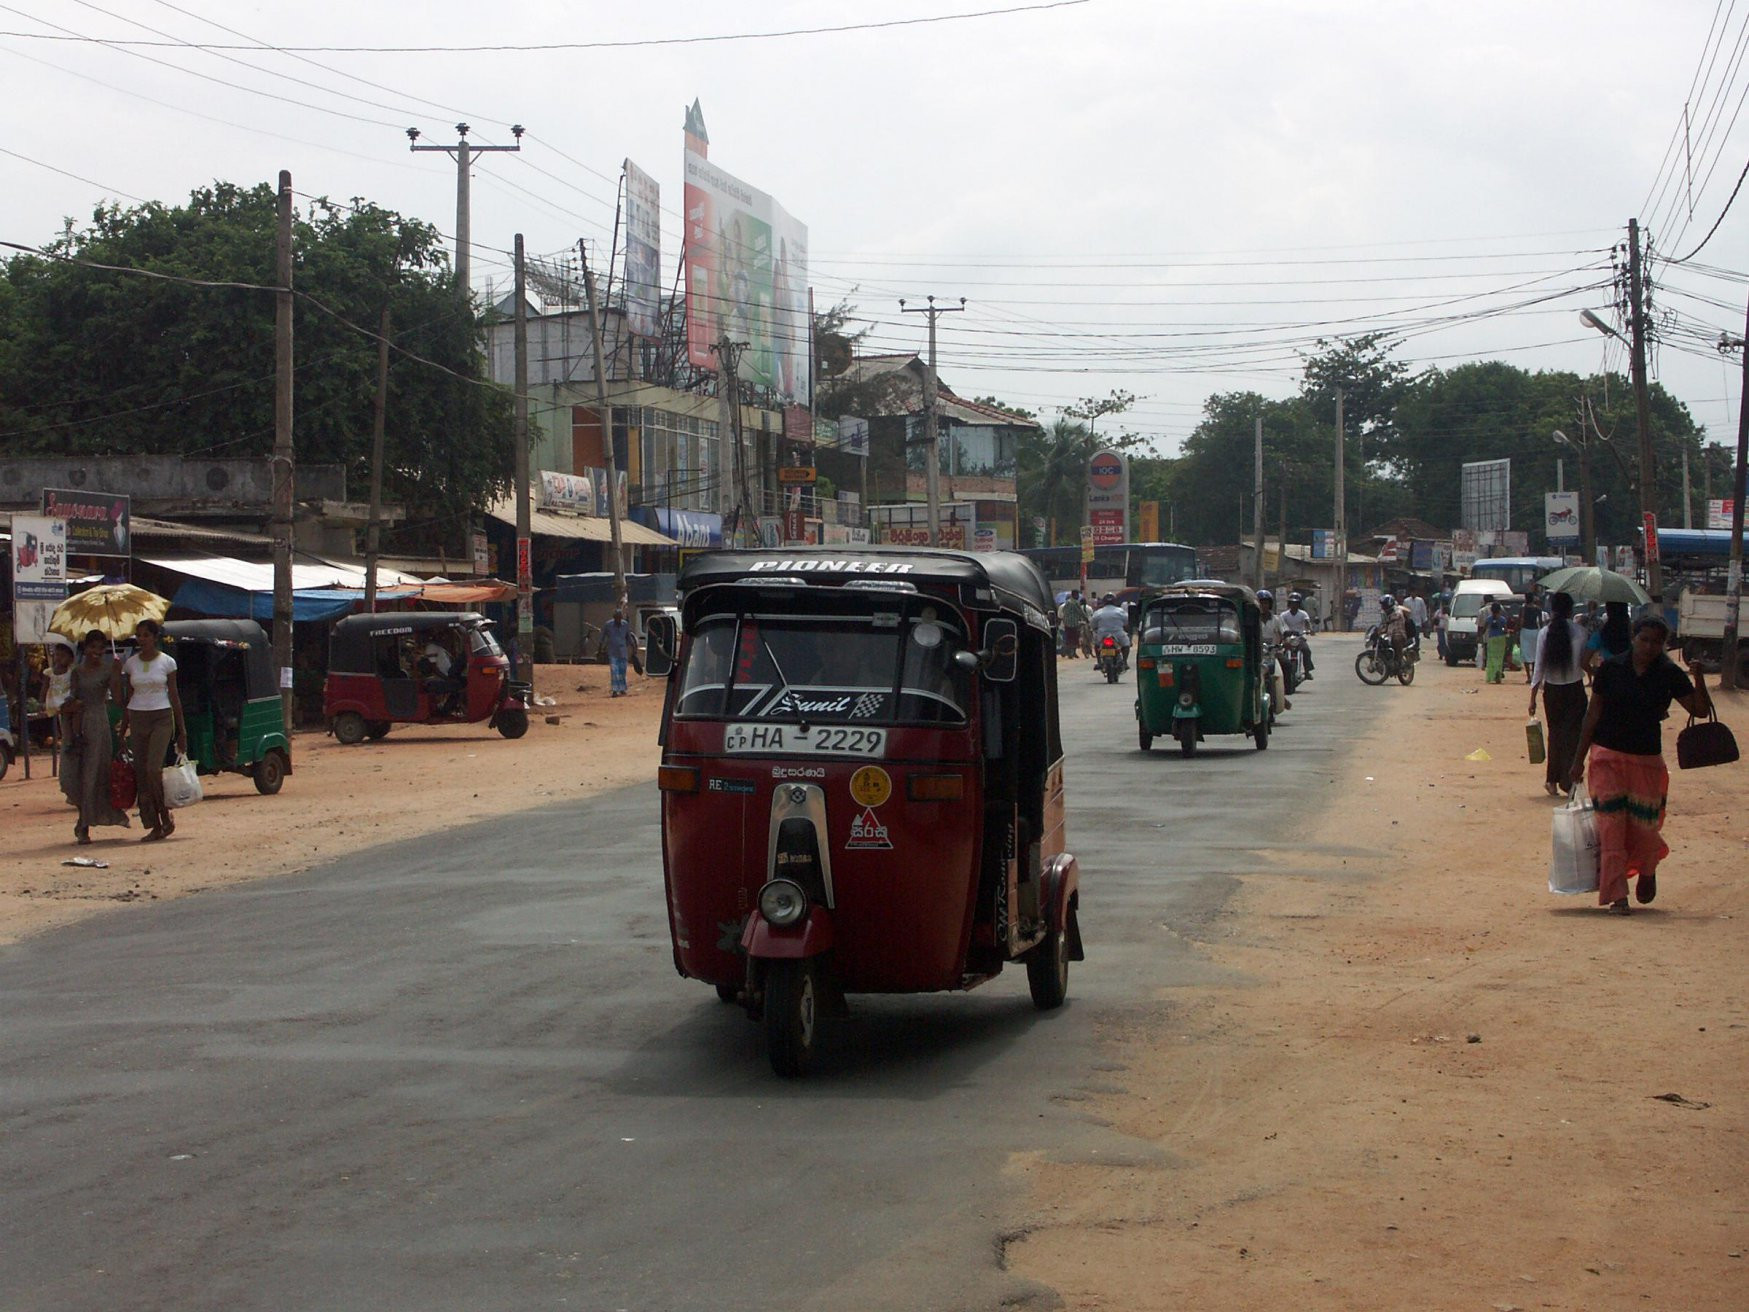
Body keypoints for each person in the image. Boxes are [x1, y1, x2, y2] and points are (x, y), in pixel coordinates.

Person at [1569, 615, 1713, 914]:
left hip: (1646, 760)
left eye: (1656, 642)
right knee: (1611, 829)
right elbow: (1593, 715)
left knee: (1645, 828)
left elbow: (1699, 710)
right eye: (1644, 639)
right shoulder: (1611, 669)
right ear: (1633, 638)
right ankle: (1617, 895)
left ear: (1663, 645)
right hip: (1607, 757)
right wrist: (1578, 760)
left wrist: (1699, 678)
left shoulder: (1669, 673)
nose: (1649, 647)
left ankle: (1647, 868)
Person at [116, 619, 186, 842]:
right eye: (139, 635)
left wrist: (182, 731)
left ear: (155, 637)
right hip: (138, 718)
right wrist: (123, 729)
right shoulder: (130, 664)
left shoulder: (167, 662)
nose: (142, 639)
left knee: (153, 769)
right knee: (141, 773)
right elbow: (128, 698)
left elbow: (174, 696)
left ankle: (165, 814)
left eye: (146, 635)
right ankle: (154, 824)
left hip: (162, 717)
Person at [59, 630, 131, 843]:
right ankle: (83, 816)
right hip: (77, 724)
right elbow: (71, 697)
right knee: (72, 776)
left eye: (101, 648)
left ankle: (84, 825)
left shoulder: (108, 670)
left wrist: (116, 674)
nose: (96, 652)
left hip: (98, 725)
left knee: (93, 775)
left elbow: (117, 699)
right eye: (92, 647)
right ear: (86, 648)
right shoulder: (77, 671)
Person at [1528, 592, 1587, 798]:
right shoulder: (1581, 632)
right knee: (1574, 737)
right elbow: (1585, 662)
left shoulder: (1545, 633)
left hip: (1552, 692)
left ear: (1552, 610)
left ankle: (1551, 780)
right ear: (1571, 610)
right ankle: (1568, 780)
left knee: (1555, 734)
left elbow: (1538, 668)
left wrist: (1532, 698)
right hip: (1575, 689)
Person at [1583, 601, 1632, 671]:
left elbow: (1584, 662)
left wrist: (1596, 673)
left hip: (1608, 672)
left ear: (1608, 612)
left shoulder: (1600, 634)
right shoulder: (1634, 634)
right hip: (1630, 673)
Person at [602, 607, 638, 697]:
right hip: (613, 652)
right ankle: (615, 690)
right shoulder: (608, 625)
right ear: (614, 618)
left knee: (622, 671)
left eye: (619, 618)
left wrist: (633, 648)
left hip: (623, 652)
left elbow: (628, 637)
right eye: (616, 618)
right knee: (614, 671)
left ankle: (622, 689)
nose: (618, 620)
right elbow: (602, 637)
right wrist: (600, 648)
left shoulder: (625, 625)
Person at [1089, 592, 1130, 669]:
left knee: (1097, 645)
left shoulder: (1098, 612)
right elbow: (1127, 622)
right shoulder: (1120, 611)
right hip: (1118, 633)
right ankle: (1124, 662)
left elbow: (1092, 624)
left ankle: (1099, 662)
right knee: (1126, 644)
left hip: (1102, 634)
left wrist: (1095, 629)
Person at [1280, 592, 1315, 678]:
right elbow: (1281, 625)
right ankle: (1280, 672)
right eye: (1292, 603)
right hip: (1287, 638)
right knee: (1279, 653)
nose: (1294, 605)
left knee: (1306, 650)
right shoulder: (1284, 615)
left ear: (1299, 604)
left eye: (1296, 603)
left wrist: (1310, 630)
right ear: (1289, 603)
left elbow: (1307, 623)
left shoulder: (1303, 614)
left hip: (1299, 638)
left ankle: (1307, 672)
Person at [1479, 602, 1511, 683]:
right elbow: (1505, 630)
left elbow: (1484, 629)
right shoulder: (1503, 619)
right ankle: (1498, 673)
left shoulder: (1489, 619)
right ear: (1499, 610)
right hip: (1501, 639)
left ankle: (1491, 675)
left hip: (1492, 639)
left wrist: (1480, 637)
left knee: (1491, 658)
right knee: (1499, 658)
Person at [1059, 591, 1089, 659]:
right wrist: (1086, 619)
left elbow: (1064, 612)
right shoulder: (1075, 603)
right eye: (1077, 595)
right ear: (1074, 595)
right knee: (1075, 638)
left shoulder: (1067, 602)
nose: (1078, 597)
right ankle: (1072, 652)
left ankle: (1070, 652)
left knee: (1069, 638)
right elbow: (1080, 612)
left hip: (1066, 623)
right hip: (1074, 624)